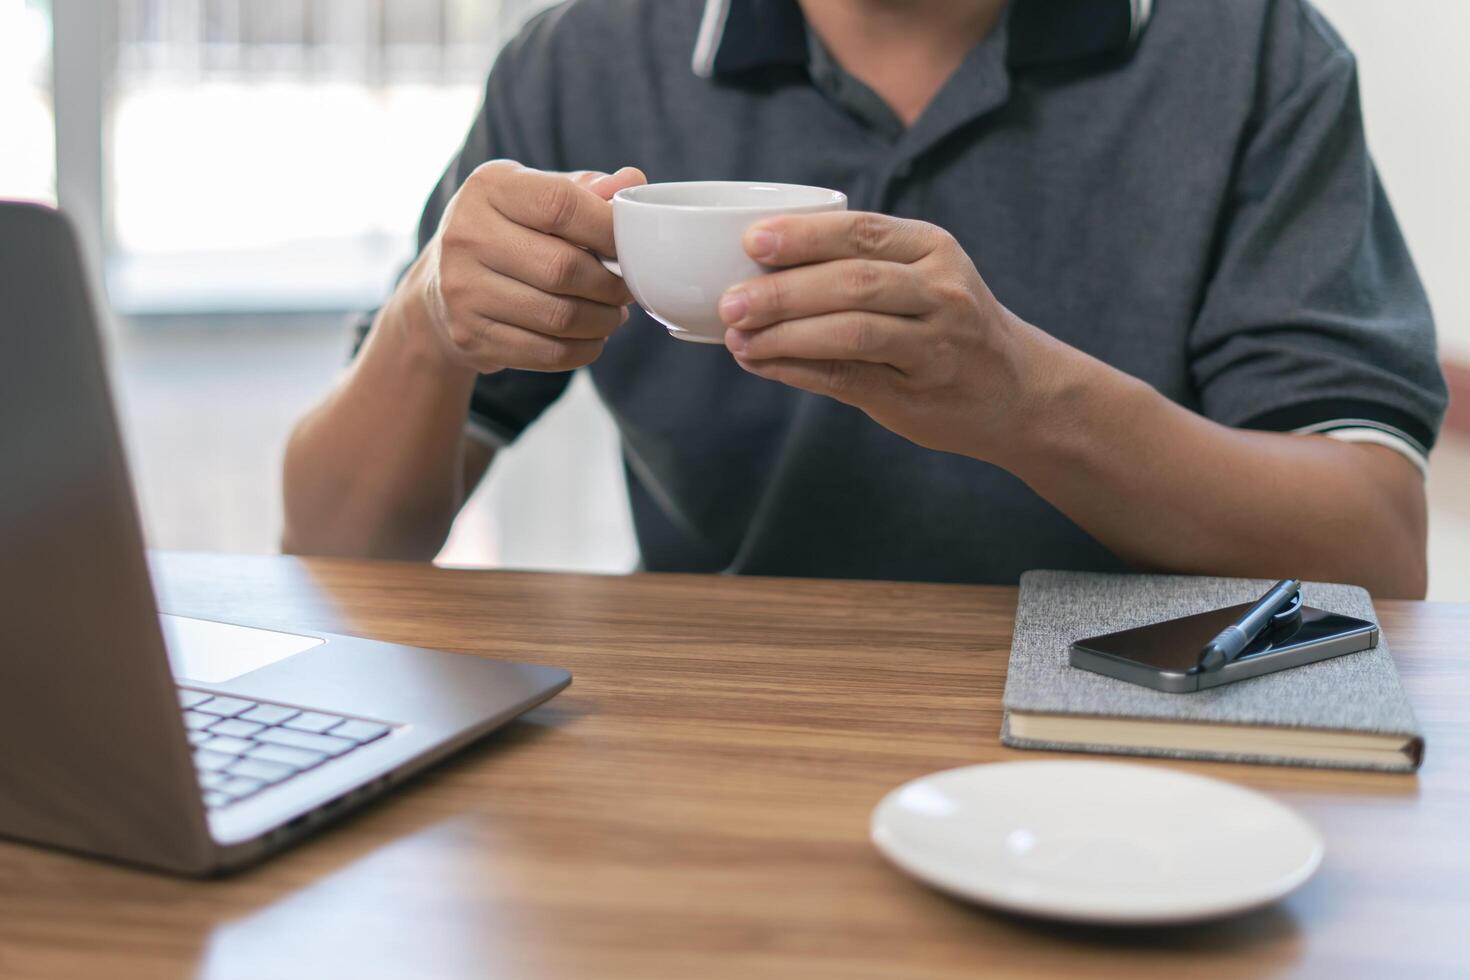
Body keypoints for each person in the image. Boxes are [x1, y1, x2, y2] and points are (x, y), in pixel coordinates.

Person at [283, 0, 1447, 597]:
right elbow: (331, 545)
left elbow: (1380, 547)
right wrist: (429, 319)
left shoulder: (1251, 54)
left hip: (1136, 742)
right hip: (718, 739)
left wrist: (1025, 398)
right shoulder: (587, 57)